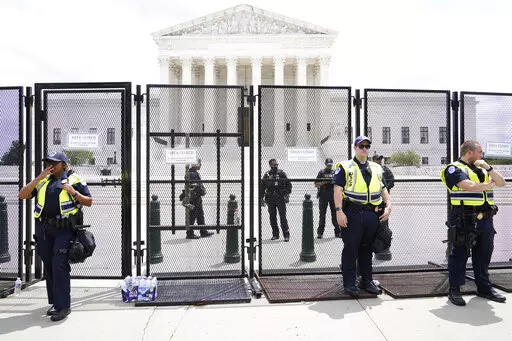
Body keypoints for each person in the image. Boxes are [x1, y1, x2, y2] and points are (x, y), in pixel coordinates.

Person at [18, 151, 93, 321]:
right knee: (50, 265)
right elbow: (22, 195)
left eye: (54, 163)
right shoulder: (43, 181)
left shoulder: (74, 179)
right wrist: (39, 177)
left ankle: (64, 306)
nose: (50, 166)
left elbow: (88, 201)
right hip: (44, 230)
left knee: (59, 264)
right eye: (48, 163)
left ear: (64, 165)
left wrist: (73, 192)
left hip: (65, 229)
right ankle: (55, 302)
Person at [441, 140, 506, 306]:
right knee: (460, 254)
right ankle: (454, 290)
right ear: (470, 152)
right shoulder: (454, 168)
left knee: (484, 254)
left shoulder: (483, 170)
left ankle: (484, 289)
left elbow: (502, 182)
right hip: (464, 218)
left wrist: (489, 168)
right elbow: (467, 185)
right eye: (480, 152)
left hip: (486, 218)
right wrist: (489, 185)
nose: (482, 155)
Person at [333, 136, 391, 297]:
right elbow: (337, 190)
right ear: (355, 147)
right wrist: (339, 212)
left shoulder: (376, 168)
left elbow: (383, 188)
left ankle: (367, 280)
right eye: (361, 146)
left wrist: (389, 205)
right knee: (351, 249)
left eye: (367, 146)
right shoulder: (345, 167)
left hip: (372, 214)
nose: (365, 149)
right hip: (353, 213)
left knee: (367, 249)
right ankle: (350, 283)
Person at [260, 159, 292, 241]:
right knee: (272, 217)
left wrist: (285, 194)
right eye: (274, 165)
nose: (276, 166)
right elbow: (262, 187)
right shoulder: (267, 174)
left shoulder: (281, 173)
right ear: (270, 165)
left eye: (277, 165)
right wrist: (261, 198)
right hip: (270, 198)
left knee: (283, 217)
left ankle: (286, 235)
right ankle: (275, 234)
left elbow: (289, 185)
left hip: (280, 197)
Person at [372, 154, 395, 260]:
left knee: (384, 222)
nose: (380, 161)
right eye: (378, 159)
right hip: (374, 200)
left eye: (380, 159)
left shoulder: (386, 170)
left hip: (384, 200)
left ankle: (384, 245)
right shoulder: (370, 169)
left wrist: (384, 188)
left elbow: (391, 181)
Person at [185, 159, 214, 239]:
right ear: (195, 164)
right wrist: (202, 191)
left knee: (199, 215)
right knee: (193, 215)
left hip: (196, 197)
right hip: (195, 198)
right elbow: (195, 186)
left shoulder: (192, 172)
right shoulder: (193, 173)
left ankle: (203, 231)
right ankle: (190, 233)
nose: (200, 165)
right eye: (199, 164)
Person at [314, 158, 341, 239]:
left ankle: (337, 232)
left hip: (333, 195)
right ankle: (320, 233)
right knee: (322, 215)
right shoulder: (321, 172)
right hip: (323, 195)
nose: (329, 167)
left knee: (334, 214)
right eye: (328, 165)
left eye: (330, 165)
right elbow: (316, 184)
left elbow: (339, 184)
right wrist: (325, 182)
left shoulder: (335, 172)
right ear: (325, 164)